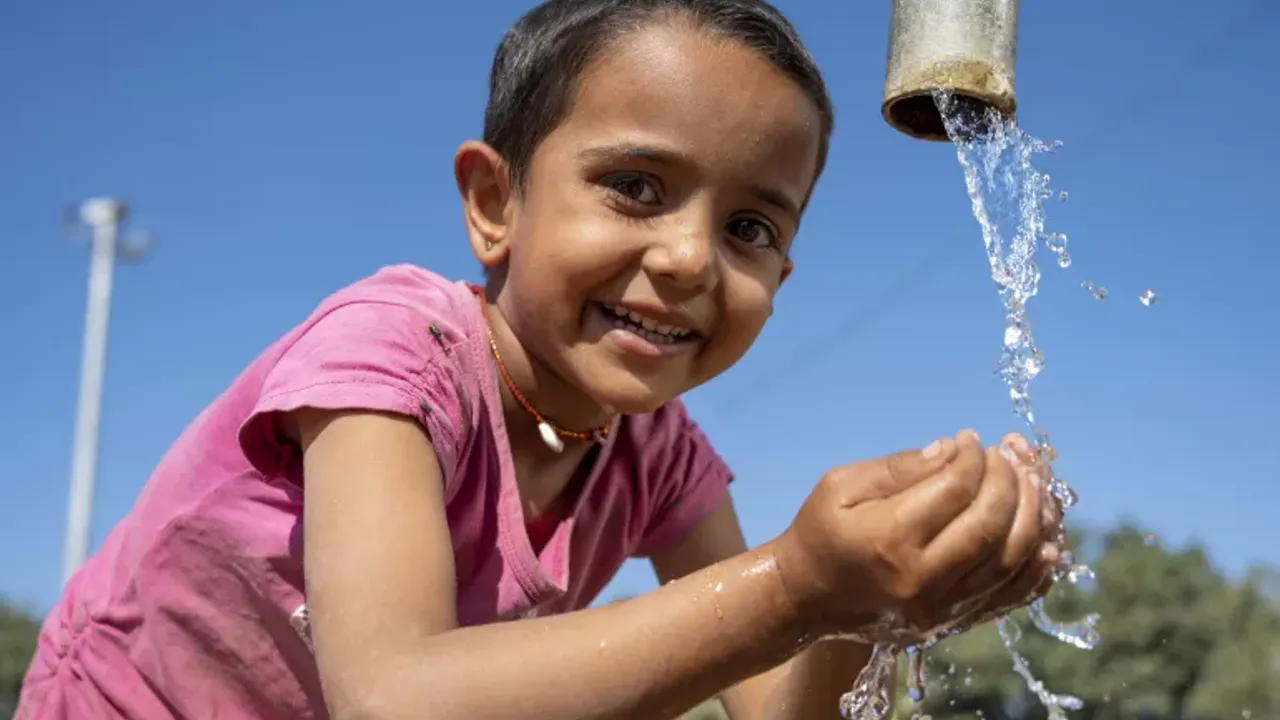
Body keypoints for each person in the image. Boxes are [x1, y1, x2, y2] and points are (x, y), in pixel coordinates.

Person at [18, 1, 1063, 718]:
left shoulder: (659, 456)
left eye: (750, 228)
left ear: (781, 277)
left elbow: (775, 705)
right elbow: (395, 696)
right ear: (493, 203)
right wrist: (795, 583)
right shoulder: (392, 354)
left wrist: (874, 608)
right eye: (636, 188)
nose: (691, 258)